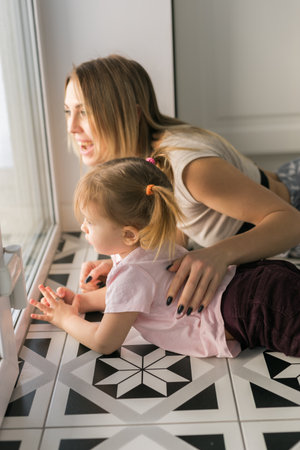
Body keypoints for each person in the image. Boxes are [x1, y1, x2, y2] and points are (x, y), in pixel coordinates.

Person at [63, 54, 300, 315]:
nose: (72, 126)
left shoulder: (191, 169)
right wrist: (133, 261)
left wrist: (220, 254)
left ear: (131, 113)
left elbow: (292, 223)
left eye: (84, 111)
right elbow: (182, 227)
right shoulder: (142, 164)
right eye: (68, 111)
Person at [30, 158, 300, 358]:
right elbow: (130, 297)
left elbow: (105, 341)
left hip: (254, 307)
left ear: (128, 235)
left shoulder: (132, 273)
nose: (83, 228)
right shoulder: (154, 245)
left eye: (90, 221)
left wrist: (65, 319)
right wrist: (82, 301)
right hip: (258, 281)